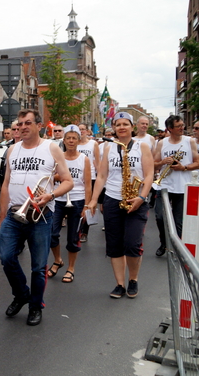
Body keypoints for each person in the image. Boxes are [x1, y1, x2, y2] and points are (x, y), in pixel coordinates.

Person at [0, 110, 72, 326]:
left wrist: (51, 195)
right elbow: (5, 184)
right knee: (6, 258)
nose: (22, 127)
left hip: (41, 215)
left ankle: (35, 306)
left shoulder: (50, 148)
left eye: (27, 123)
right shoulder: (12, 149)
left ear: (38, 125)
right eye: (19, 124)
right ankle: (22, 294)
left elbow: (68, 181)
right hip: (15, 214)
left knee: (39, 267)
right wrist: (3, 215)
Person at [87, 112, 153, 299]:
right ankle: (119, 284)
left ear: (132, 127)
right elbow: (101, 176)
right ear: (114, 127)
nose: (122, 127)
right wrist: (94, 199)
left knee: (132, 244)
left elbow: (149, 175)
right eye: (118, 124)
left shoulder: (143, 147)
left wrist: (141, 197)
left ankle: (133, 279)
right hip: (113, 199)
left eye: (125, 124)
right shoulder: (108, 147)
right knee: (114, 245)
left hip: (135, 199)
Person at [48, 125, 91, 283]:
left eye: (74, 138)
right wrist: (57, 177)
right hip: (58, 200)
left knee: (73, 238)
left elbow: (87, 184)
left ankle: (70, 268)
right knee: (52, 234)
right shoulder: (58, 158)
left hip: (77, 200)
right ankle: (57, 260)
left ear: (79, 140)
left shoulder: (83, 159)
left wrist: (87, 206)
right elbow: (50, 178)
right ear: (64, 140)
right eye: (68, 138)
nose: (71, 141)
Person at [153, 115, 199, 257]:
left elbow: (197, 162)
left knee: (178, 221)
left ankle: (177, 249)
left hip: (182, 186)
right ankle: (164, 243)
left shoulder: (189, 141)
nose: (182, 128)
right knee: (160, 216)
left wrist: (184, 167)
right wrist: (162, 162)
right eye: (178, 126)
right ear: (170, 129)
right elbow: (154, 163)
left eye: (182, 125)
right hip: (164, 185)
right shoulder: (162, 143)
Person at [76, 123, 100, 243]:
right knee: (78, 203)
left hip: (91, 176)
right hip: (77, 176)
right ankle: (77, 228)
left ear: (87, 131)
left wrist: (100, 175)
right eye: (79, 129)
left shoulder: (93, 143)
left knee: (88, 203)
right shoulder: (74, 143)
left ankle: (85, 231)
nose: (81, 131)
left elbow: (97, 160)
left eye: (83, 129)